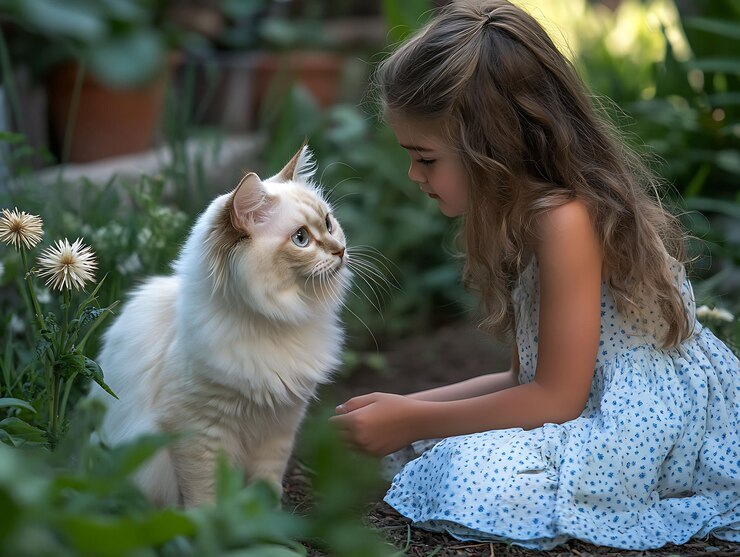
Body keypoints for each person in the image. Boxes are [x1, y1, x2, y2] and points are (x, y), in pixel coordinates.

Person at [330, 0, 739, 551]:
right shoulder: (527, 217)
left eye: (426, 158)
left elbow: (553, 400)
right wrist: (411, 406)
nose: (413, 174)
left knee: (468, 474)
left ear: (490, 149)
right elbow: (527, 381)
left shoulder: (565, 219)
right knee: (435, 448)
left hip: (651, 431)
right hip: (587, 409)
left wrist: (411, 423)